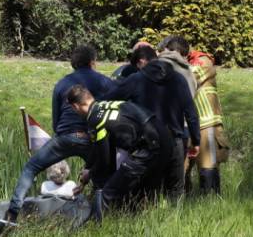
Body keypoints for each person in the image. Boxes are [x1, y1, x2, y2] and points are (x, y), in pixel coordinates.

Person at [5, 44, 113, 222]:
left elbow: (56, 122)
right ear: (93, 62)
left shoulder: (62, 84)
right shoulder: (105, 82)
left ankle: (13, 212)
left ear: (74, 64)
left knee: (31, 168)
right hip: (92, 139)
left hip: (64, 137)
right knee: (101, 179)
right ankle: (100, 220)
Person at [102, 44, 200, 198]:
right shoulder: (178, 78)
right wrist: (196, 140)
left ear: (141, 62)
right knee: (176, 190)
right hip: (175, 141)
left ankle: (148, 218)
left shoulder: (136, 79)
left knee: (146, 190)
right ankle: (176, 221)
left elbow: (108, 99)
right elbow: (191, 112)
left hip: (150, 143)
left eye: (137, 66)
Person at [66, 86, 166, 219]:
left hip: (149, 146)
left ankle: (97, 228)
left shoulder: (94, 119)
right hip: (164, 136)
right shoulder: (105, 104)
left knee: (108, 192)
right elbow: (98, 148)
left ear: (76, 106)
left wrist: (90, 173)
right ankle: (136, 221)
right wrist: (88, 169)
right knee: (138, 190)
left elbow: (104, 160)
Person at [159, 35, 228, 195]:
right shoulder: (179, 65)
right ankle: (182, 206)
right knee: (179, 171)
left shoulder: (202, 61)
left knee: (207, 167)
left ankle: (211, 205)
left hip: (206, 124)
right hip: (185, 124)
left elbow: (185, 77)